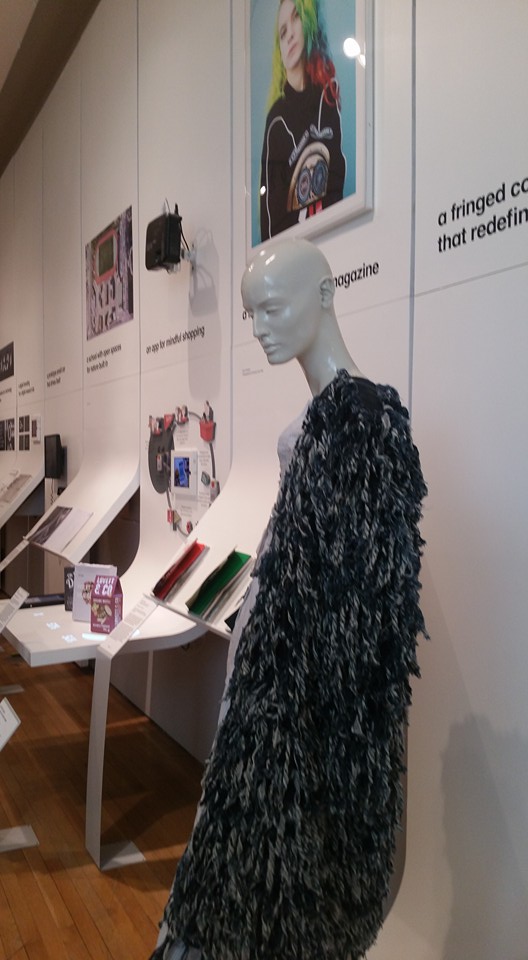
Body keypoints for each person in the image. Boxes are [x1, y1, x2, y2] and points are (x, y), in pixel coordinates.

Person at [151, 238, 427, 960]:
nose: (260, 328)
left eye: (272, 308)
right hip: (269, 718)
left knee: (254, 907)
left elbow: (359, 625)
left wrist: (302, 748)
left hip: (292, 737)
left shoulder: (361, 424)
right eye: (251, 314)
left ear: (326, 294)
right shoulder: (325, 423)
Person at [259, 0, 346, 241]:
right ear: (279, 49)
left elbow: (336, 180)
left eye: (296, 17)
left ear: (308, 22)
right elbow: (270, 222)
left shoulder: (327, 95)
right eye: (282, 32)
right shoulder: (276, 122)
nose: (289, 35)